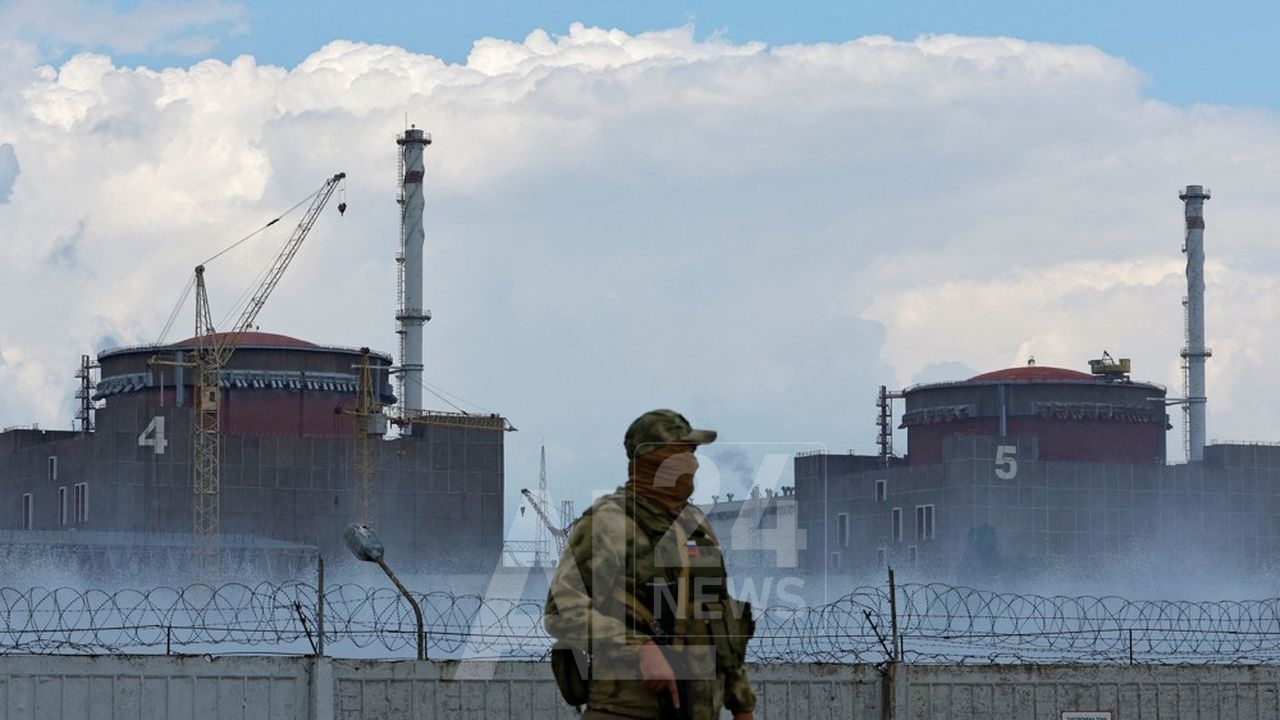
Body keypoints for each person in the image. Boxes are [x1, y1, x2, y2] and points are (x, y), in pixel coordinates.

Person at [545, 409, 756, 720]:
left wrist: (741, 704)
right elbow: (561, 611)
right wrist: (640, 648)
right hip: (626, 710)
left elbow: (716, 618)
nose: (695, 464)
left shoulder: (695, 524)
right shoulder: (608, 522)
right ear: (658, 461)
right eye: (685, 453)